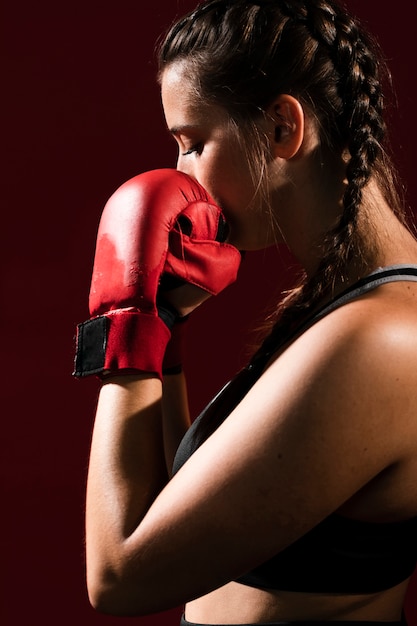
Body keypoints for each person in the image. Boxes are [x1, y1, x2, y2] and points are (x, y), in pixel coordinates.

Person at [73, 0, 417, 624]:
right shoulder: (348, 310)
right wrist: (163, 329)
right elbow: (181, 518)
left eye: (193, 143)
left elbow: (118, 575)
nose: (182, 175)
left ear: (284, 127)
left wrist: (125, 325)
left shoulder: (379, 340)